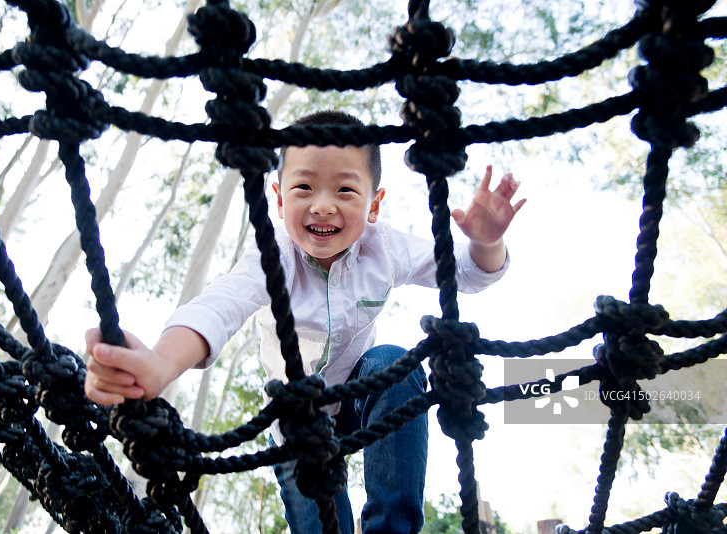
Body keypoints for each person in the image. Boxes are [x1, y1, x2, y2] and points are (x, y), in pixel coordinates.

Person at [84, 110, 525, 533]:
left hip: (360, 397)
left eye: (346, 191)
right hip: (296, 423)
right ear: (277, 198)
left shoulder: (384, 248)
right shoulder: (273, 255)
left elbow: (464, 272)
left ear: (374, 205)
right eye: (304, 187)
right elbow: (220, 307)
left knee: (394, 361)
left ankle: (392, 527)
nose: (323, 206)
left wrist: (488, 242)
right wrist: (162, 362)